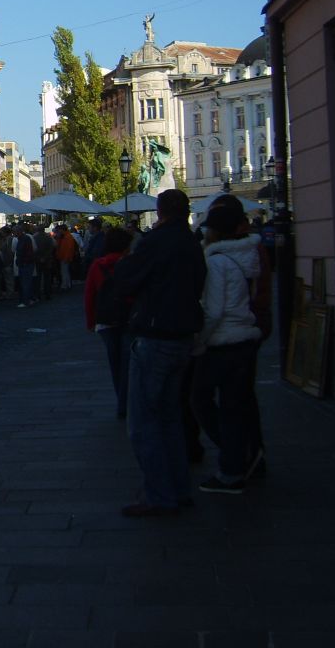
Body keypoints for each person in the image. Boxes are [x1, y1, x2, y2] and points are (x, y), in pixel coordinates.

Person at [111, 188, 207, 517]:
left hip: (155, 334)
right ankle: (178, 489)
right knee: (170, 418)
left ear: (160, 211)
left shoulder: (155, 242)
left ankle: (159, 494)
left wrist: (128, 256)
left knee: (143, 422)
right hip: (184, 336)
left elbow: (125, 280)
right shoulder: (193, 243)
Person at [191, 203, 262, 494]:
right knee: (236, 404)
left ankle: (233, 463)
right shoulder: (247, 257)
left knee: (201, 400)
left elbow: (214, 310)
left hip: (225, 341)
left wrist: (199, 341)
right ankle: (241, 455)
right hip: (244, 337)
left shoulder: (218, 262)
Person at [83, 226, 135, 419]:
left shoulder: (99, 265)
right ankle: (126, 401)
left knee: (114, 363)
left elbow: (90, 294)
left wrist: (90, 321)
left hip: (105, 320)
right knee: (128, 362)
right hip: (129, 317)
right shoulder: (131, 263)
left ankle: (121, 401)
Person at [55, 225, 79, 290]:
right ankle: (67, 284)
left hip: (65, 258)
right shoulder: (65, 236)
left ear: (63, 230)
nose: (59, 231)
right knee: (65, 271)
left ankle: (65, 285)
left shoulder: (68, 237)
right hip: (63, 257)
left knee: (64, 272)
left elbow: (69, 249)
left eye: (60, 230)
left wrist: (66, 258)